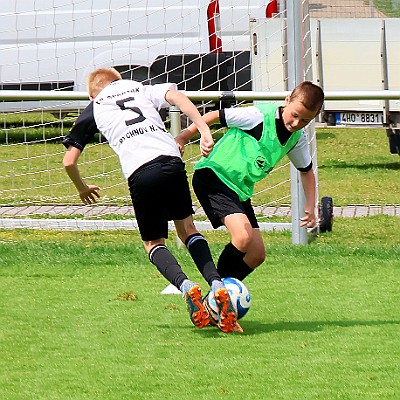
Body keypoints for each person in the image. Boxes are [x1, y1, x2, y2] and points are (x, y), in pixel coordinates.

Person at [62, 67, 242, 333]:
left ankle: (186, 286)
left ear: (91, 95)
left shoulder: (95, 106)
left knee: (153, 243)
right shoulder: (139, 87)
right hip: (171, 161)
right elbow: (176, 97)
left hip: (140, 172)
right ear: (118, 81)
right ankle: (216, 283)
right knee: (188, 230)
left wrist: (82, 188)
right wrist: (203, 130)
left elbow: (69, 162)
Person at [175, 81, 325, 282]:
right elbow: (214, 116)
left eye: (305, 120)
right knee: (242, 238)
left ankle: (221, 296)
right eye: (295, 115)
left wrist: (310, 204)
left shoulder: (297, 138)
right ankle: (217, 293)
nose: (297, 123)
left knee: (256, 254)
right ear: (287, 100)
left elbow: (306, 171)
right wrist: (184, 137)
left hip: (239, 190)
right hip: (214, 176)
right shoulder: (258, 117)